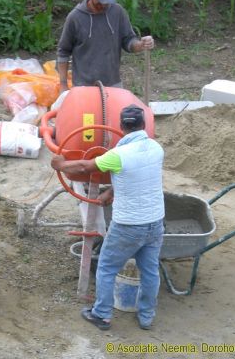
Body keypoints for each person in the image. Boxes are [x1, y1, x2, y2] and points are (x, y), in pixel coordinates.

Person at [51, 104, 165, 330]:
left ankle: (101, 314)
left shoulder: (117, 155)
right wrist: (111, 191)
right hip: (155, 222)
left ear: (121, 127)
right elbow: (140, 175)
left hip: (128, 226)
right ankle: (146, 315)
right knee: (150, 270)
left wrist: (61, 164)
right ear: (143, 125)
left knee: (106, 267)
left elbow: (85, 166)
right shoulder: (156, 148)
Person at [57, 0, 154, 92]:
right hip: (83, 87)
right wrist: (63, 84)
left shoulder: (118, 12)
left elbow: (128, 40)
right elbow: (63, 52)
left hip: (113, 84)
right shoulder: (75, 18)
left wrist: (140, 45)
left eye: (107, 1)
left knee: (116, 111)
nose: (103, 5)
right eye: (101, 0)